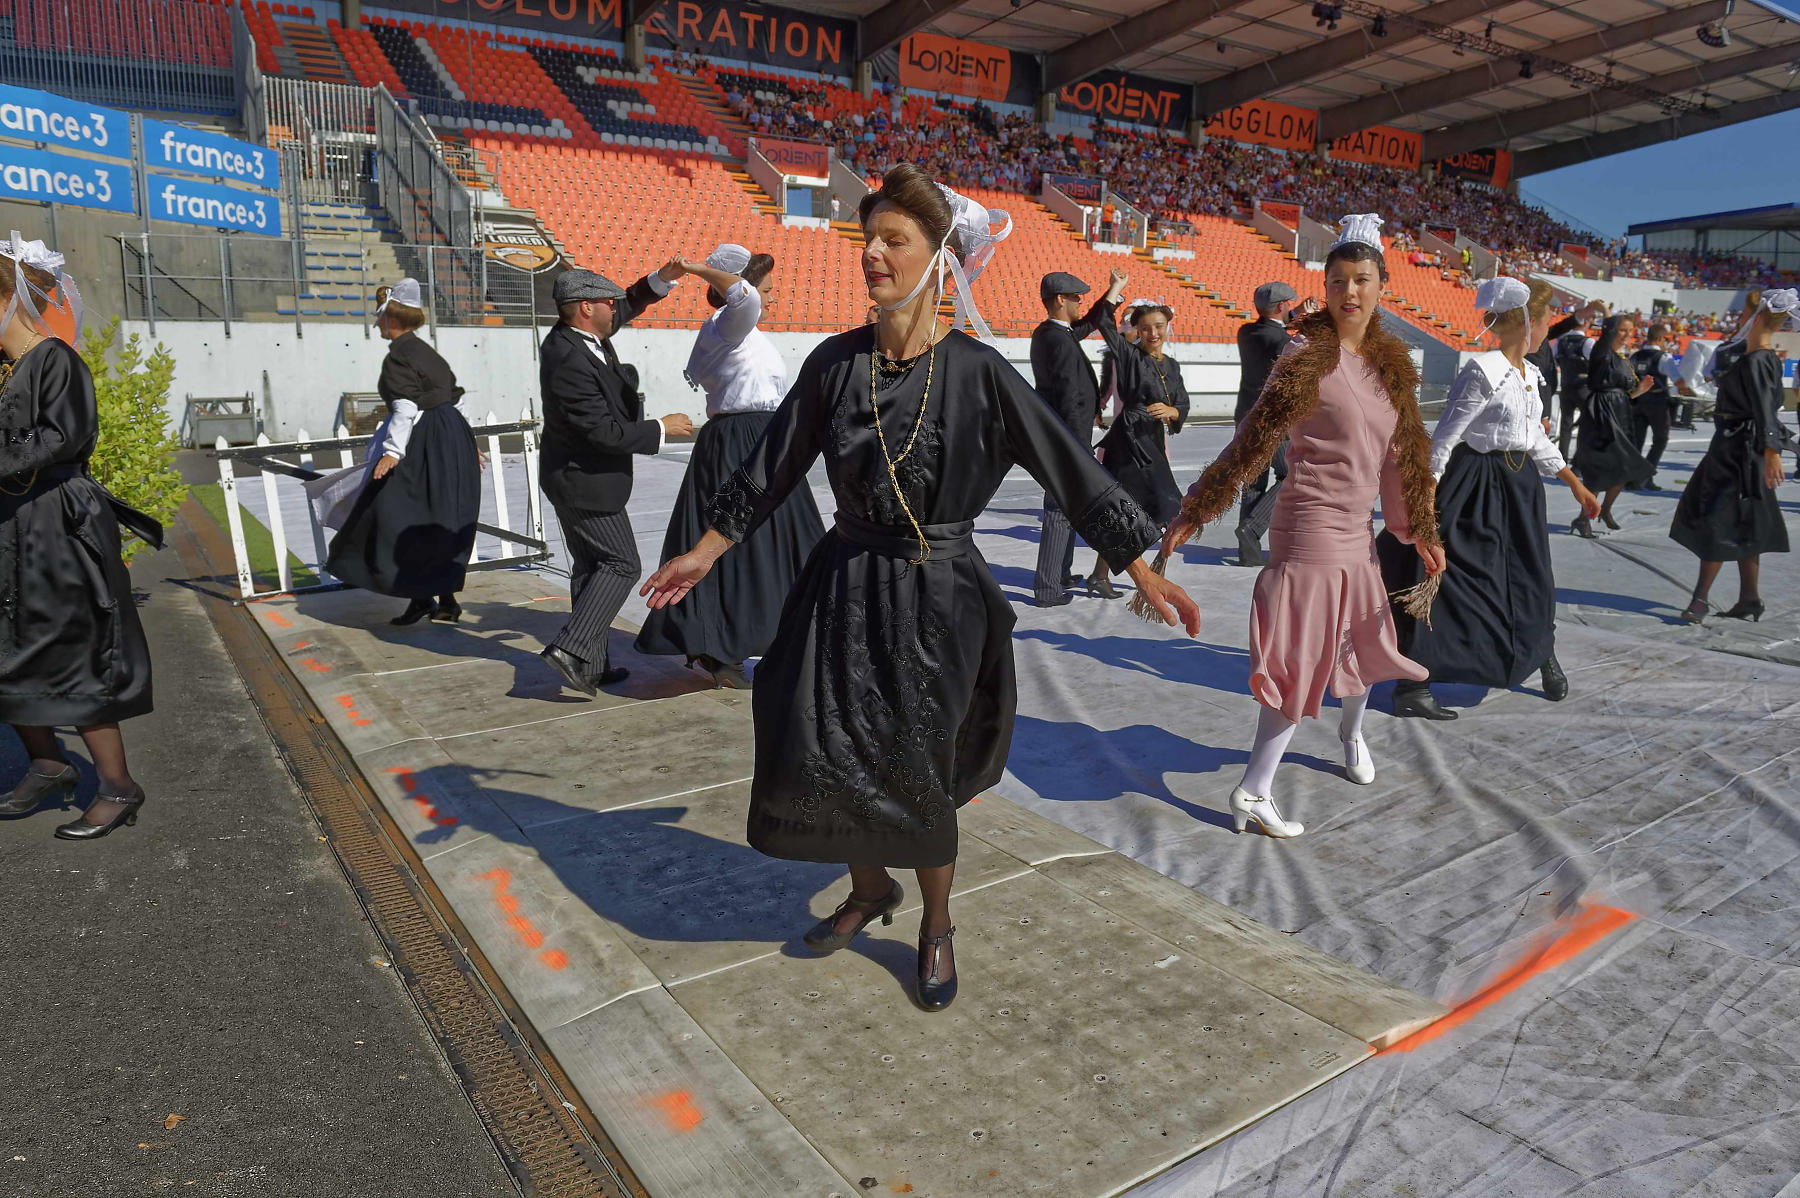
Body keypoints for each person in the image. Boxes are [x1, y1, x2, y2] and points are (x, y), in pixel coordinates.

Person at [641, 164, 1198, 1010]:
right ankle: (871, 888)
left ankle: (936, 922)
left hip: (938, 597)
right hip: (842, 582)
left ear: (939, 259)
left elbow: (1070, 468)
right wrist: (706, 550)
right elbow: (770, 467)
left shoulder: (978, 371)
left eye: (893, 240)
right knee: (819, 742)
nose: (872, 254)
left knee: (915, 764)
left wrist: (1140, 565)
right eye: (867, 239)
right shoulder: (836, 363)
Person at [1161, 214, 1444, 840]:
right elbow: (1255, 437)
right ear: (1326, 287)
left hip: (1357, 529)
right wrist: (1199, 506)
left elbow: (1401, 455)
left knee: (1362, 641)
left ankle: (1351, 734)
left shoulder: (1390, 366)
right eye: (1338, 280)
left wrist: (1417, 528)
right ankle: (1255, 788)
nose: (1349, 291)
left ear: (1381, 286)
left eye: (1361, 280)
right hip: (1310, 523)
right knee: (1302, 655)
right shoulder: (1305, 355)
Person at [1379, 277, 1602, 721]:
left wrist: (1574, 482)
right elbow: (1447, 437)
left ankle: (1541, 651)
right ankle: (1413, 683)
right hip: (1476, 485)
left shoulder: (1530, 374)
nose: (1547, 331)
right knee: (1454, 580)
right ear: (1525, 322)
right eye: (1545, 322)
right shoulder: (1482, 371)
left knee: (1533, 577)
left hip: (1520, 489)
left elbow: (1534, 438)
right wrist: (1427, 498)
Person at [0, 235, 163, 841]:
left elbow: (62, 437)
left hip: (56, 523)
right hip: (12, 522)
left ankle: (118, 787)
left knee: (70, 648)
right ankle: (48, 764)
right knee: (7, 649)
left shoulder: (56, 361)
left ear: (9, 300)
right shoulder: (6, 368)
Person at [636, 246, 824, 687]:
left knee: (788, 544)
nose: (771, 298)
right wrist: (699, 269)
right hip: (741, 442)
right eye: (768, 289)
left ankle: (787, 640)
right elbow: (746, 298)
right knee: (738, 545)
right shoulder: (728, 324)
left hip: (763, 438)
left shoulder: (742, 331)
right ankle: (719, 647)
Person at [537, 263, 695, 695]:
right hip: (583, 481)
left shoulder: (582, 335)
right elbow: (603, 433)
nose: (616, 307)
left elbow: (630, 304)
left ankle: (590, 665)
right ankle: (569, 649)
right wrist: (660, 428)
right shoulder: (569, 359)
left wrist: (663, 279)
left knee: (591, 568)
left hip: (577, 477)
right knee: (622, 564)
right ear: (586, 308)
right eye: (608, 302)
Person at [325, 279, 481, 626]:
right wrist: (470, 443)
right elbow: (456, 399)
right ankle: (437, 600)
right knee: (437, 517)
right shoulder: (427, 352)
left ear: (392, 318)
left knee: (392, 514)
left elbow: (406, 407)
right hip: (450, 436)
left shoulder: (398, 356)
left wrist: (392, 452)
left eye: (380, 316)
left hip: (424, 440)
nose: (377, 322)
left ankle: (426, 598)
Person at [1669, 288, 1795, 624]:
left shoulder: (1758, 359)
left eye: (1744, 315)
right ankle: (1749, 598)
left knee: (1717, 518)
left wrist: (1771, 451)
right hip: (1735, 446)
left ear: (1757, 317)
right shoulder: (1756, 356)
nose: (1739, 320)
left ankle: (1700, 600)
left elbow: (1766, 409)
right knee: (1743, 520)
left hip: (1740, 451)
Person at [1091, 281, 1189, 596]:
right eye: (1145, 328)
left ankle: (1104, 574)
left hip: (1152, 442)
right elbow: (1102, 321)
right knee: (1151, 507)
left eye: (1158, 326)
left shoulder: (1172, 365)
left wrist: (1172, 411)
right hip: (1128, 443)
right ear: (1137, 330)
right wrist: (1115, 289)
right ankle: (1143, 574)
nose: (1152, 333)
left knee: (1148, 510)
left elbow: (1182, 403)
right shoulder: (1128, 355)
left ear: (1167, 326)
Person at [1028, 270, 1112, 607]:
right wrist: (1077, 447)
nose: (1081, 302)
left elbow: (1089, 323)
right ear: (1061, 299)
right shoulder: (1058, 338)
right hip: (1067, 440)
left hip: (1064, 436)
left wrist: (1112, 293)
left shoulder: (1053, 334)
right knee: (1060, 510)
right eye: (1076, 297)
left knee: (1069, 508)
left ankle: (1060, 574)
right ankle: (1048, 588)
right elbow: (1068, 395)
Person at [1571, 313, 1656, 538]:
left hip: (1620, 414)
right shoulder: (1602, 351)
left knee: (1625, 465)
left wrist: (1640, 391)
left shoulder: (1623, 358)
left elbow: (1625, 393)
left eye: (1630, 330)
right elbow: (1607, 334)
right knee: (1600, 468)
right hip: (1601, 416)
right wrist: (1607, 315)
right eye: (1622, 330)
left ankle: (1605, 509)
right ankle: (1583, 518)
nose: (1626, 335)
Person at [1233, 281, 1299, 567]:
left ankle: (1247, 551)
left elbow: (1274, 330)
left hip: (1245, 417)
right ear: (1282, 306)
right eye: (1289, 305)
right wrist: (1302, 321)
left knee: (1253, 482)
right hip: (1273, 423)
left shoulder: (1245, 332)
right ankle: (1253, 527)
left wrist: (1293, 318)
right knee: (1292, 475)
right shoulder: (1285, 342)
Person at [1627, 322, 1683, 490]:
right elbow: (1678, 380)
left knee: (1636, 442)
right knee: (1660, 440)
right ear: (1660, 339)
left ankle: (1632, 478)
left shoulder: (1635, 356)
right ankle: (1646, 476)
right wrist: (1686, 388)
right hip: (1657, 403)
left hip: (1637, 401)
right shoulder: (1664, 358)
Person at [1553, 317, 1596, 460]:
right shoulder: (1588, 342)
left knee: (1565, 425)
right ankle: (1579, 460)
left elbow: (1555, 362)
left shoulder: (1560, 342)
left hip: (1566, 386)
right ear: (1586, 323)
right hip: (1584, 388)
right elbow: (1597, 363)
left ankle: (1562, 460)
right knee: (1586, 425)